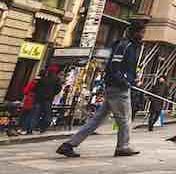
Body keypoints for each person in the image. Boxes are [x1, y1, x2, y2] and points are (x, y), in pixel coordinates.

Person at [57, 20, 143, 159]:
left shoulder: (125, 45)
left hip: (114, 86)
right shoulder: (126, 46)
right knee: (125, 119)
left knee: (97, 119)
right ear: (135, 33)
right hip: (118, 88)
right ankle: (123, 146)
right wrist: (125, 81)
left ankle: (69, 145)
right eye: (141, 32)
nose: (142, 35)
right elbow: (115, 66)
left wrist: (130, 79)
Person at [29, 66, 62, 133]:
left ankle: (30, 129)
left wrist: (38, 94)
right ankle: (42, 128)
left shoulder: (43, 78)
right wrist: (52, 94)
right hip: (48, 99)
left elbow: (35, 88)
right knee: (46, 114)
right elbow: (58, 89)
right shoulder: (56, 79)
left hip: (39, 98)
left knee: (35, 114)